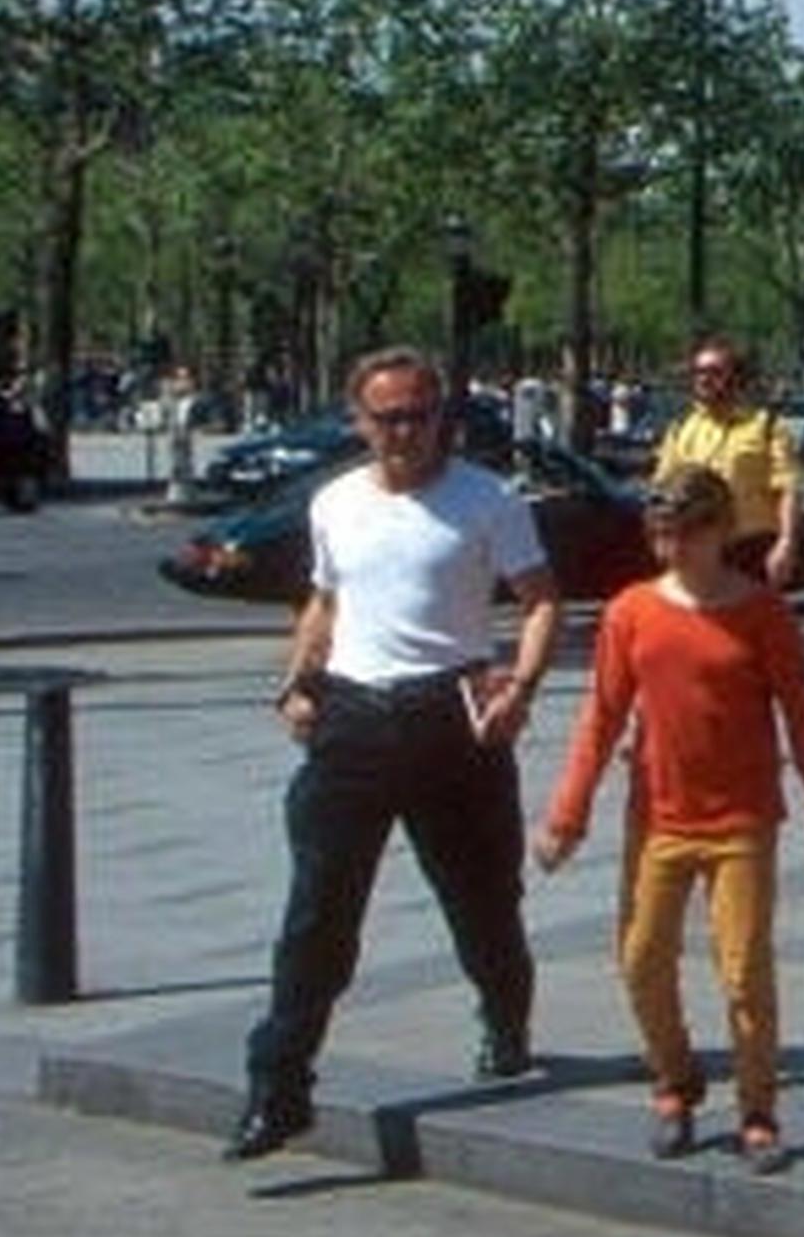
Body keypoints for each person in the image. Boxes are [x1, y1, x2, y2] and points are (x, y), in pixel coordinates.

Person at [229, 346, 561, 1161]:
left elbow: (542, 598)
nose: (405, 433)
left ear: (442, 418)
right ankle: (280, 1084)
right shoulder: (336, 503)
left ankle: (505, 1017)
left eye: (419, 415)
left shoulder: (488, 500)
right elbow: (327, 601)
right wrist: (298, 683)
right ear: (360, 422)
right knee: (318, 913)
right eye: (387, 418)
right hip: (352, 722)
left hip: (452, 717)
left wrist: (518, 687)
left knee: (483, 900)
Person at [533, 463, 804, 1171]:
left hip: (742, 820)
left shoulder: (763, 613)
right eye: (660, 535)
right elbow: (601, 718)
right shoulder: (631, 612)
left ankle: (759, 1109)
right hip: (660, 819)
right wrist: (566, 815)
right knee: (642, 959)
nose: (670, 550)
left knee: (743, 971)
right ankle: (675, 1080)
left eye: (685, 535)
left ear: (720, 532)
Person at [649, 336, 804, 589]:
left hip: (750, 550)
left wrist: (787, 543)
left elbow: (788, 491)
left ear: (735, 378)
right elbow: (662, 493)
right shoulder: (681, 428)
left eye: (714, 372)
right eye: (699, 372)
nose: (704, 379)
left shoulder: (766, 427)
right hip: (695, 551)